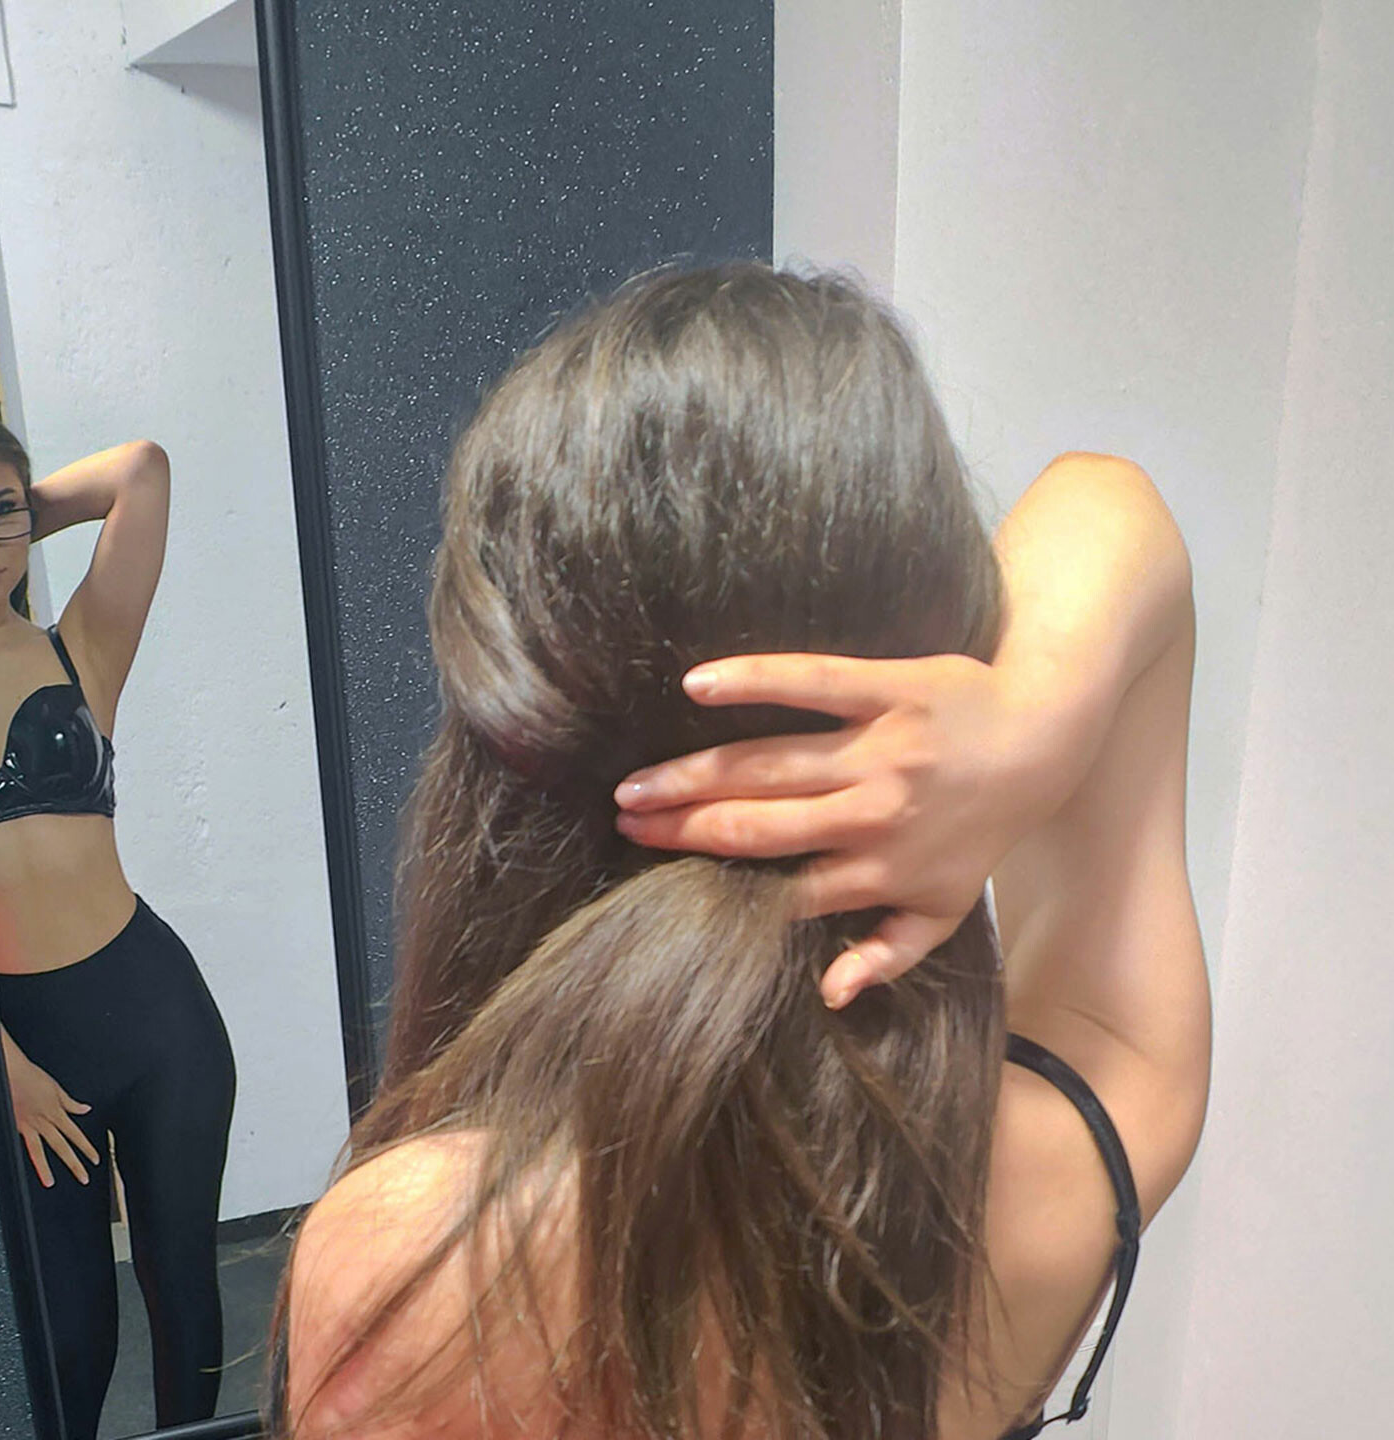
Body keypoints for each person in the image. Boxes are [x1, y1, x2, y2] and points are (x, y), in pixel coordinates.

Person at [276, 264, 1210, 1440]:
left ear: (506, 719)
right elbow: (1116, 510)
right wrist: (1027, 714)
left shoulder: (412, 1269)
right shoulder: (1049, 1171)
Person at [0, 392, 238, 1440]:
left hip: (158, 1015)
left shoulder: (79, 646)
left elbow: (141, 470)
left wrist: (1, 514)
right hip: (25, 1048)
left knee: (185, 1290)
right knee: (72, 1334)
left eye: (0, 512)